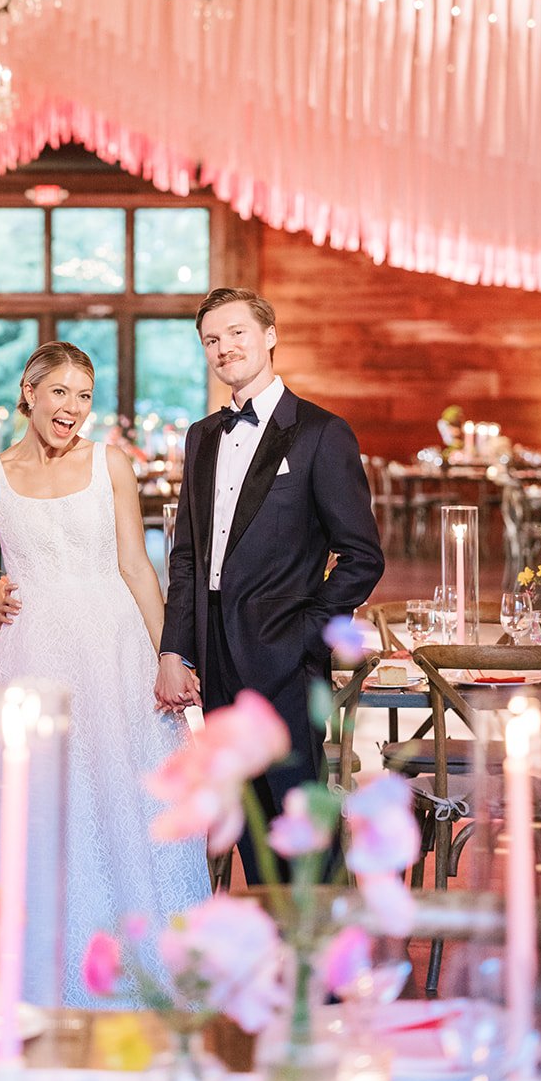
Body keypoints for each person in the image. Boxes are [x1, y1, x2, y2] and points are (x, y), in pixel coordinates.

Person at [0, 341, 206, 1005]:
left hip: (111, 648)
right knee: (34, 805)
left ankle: (133, 957)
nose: (72, 409)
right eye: (59, 393)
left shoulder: (108, 462)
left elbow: (137, 565)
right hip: (32, 653)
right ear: (27, 392)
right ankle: (23, 963)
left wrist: (169, 651)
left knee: (122, 795)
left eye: (83, 396)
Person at [154, 288, 384, 882]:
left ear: (270, 335)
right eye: (212, 339)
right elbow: (186, 556)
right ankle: (269, 963)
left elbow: (361, 556)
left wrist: (304, 630)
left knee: (297, 821)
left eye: (236, 333)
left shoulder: (321, 433)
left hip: (285, 659)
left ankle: (321, 969)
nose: (224, 348)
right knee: (247, 818)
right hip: (213, 656)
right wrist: (174, 648)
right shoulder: (202, 435)